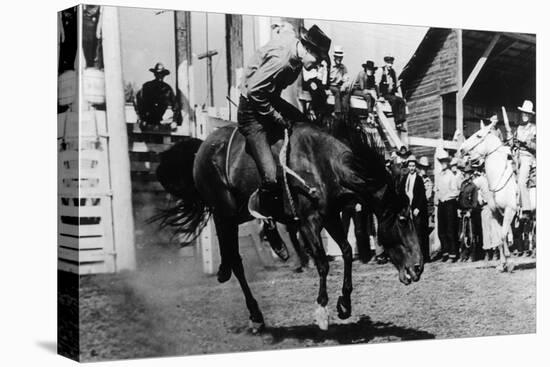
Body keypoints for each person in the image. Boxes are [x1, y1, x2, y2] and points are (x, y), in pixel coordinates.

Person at [237, 25, 330, 262]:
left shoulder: (297, 52)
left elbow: (286, 31)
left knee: (305, 125)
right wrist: (277, 118)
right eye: (318, 60)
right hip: (252, 110)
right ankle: (268, 226)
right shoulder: (282, 60)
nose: (318, 65)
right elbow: (255, 91)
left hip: (268, 99)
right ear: (307, 49)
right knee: (270, 175)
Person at [507, 100, 536, 220]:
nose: (525, 115)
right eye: (523, 113)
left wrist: (526, 142)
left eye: (527, 114)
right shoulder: (518, 128)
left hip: (527, 157)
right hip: (516, 156)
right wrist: (511, 141)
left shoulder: (534, 128)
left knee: (521, 181)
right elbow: (512, 143)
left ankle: (527, 209)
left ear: (530, 115)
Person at [399, 155, 429, 262]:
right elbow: (401, 193)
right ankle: (412, 256)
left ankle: (423, 256)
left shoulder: (419, 179)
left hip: (417, 210)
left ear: (415, 167)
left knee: (419, 233)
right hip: (408, 209)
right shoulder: (405, 179)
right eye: (410, 166)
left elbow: (422, 195)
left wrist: (418, 208)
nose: (411, 168)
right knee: (409, 233)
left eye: (413, 166)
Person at [135, 63, 182, 130]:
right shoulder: (147, 86)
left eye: (162, 74)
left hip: (158, 121)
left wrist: (174, 121)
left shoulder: (167, 89)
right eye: (158, 74)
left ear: (164, 75)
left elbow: (176, 107)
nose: (160, 76)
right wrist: (140, 117)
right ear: (155, 74)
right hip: (146, 120)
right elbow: (137, 100)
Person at [435, 151, 461, 262]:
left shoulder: (451, 175)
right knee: (442, 229)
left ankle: (453, 253)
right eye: (441, 162)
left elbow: (455, 192)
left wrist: (446, 197)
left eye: (445, 161)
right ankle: (445, 252)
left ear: (448, 162)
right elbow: (436, 189)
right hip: (441, 204)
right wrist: (438, 197)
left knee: (451, 229)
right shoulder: (439, 175)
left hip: (450, 204)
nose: (443, 164)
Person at [472, 161, 500, 261]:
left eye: (478, 168)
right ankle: (489, 252)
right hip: (484, 207)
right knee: (486, 229)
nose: (476, 171)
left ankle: (496, 250)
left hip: (491, 205)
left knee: (494, 228)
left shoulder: (486, 178)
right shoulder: (479, 179)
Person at [457, 162, 481, 261]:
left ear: (471, 174)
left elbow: (475, 201)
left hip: (470, 213)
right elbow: (460, 198)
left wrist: (470, 211)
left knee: (471, 234)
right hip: (462, 212)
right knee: (462, 234)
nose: (466, 174)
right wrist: (458, 209)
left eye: (468, 173)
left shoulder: (473, 186)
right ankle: (463, 255)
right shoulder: (463, 184)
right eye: (465, 173)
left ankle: (472, 255)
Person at [379, 56, 407, 130]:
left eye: (391, 63)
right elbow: (377, 84)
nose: (390, 65)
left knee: (401, 101)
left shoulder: (393, 72)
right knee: (394, 100)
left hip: (391, 94)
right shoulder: (381, 71)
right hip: (384, 94)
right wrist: (379, 96)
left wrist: (401, 97)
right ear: (385, 63)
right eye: (388, 63)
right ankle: (397, 122)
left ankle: (401, 122)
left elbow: (397, 85)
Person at [328, 45, 349, 116]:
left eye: (341, 57)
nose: (339, 59)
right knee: (337, 91)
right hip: (331, 85)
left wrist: (344, 85)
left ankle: (344, 111)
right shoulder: (329, 66)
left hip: (339, 86)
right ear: (334, 57)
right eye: (338, 57)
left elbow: (346, 79)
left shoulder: (343, 67)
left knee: (347, 91)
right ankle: (337, 112)